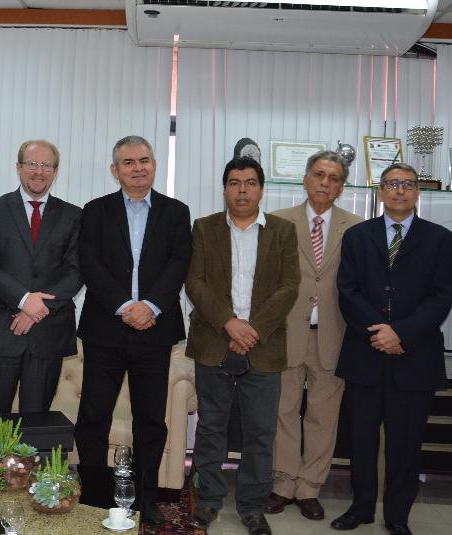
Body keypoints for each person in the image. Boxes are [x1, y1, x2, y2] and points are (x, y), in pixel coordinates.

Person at [330, 163, 452, 535]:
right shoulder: (357, 236)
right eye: (392, 184)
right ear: (380, 191)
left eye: (408, 184)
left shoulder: (440, 239)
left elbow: (440, 297)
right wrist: (380, 332)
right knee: (361, 439)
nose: (400, 190)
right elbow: (347, 291)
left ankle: (398, 515)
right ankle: (361, 508)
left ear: (417, 192)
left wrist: (400, 334)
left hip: (414, 357)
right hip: (365, 354)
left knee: (406, 443)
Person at [75, 135, 192, 528]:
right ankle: (93, 497)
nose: (138, 168)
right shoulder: (95, 210)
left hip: (155, 331)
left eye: (144, 160)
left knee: (150, 420)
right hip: (105, 330)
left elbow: (179, 262)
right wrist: (127, 307)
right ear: (115, 170)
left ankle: (147, 499)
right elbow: (90, 264)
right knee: (93, 417)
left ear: (154, 165)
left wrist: (150, 306)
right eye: (128, 162)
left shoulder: (176, 212)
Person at [185, 157, 299, 535]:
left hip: (263, 345)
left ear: (261, 189)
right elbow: (195, 283)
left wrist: (253, 330)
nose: (242, 191)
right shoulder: (205, 228)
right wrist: (230, 323)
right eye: (234, 183)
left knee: (260, 434)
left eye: (250, 183)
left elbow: (289, 286)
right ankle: (208, 501)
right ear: (225, 189)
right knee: (211, 429)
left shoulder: (282, 231)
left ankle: (252, 507)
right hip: (214, 341)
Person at [267, 151, 363, 520]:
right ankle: (283, 483)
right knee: (284, 411)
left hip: (333, 333)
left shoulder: (356, 228)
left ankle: (309, 487)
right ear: (306, 179)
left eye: (334, 178)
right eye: (319, 175)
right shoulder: (278, 221)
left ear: (341, 187)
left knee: (324, 416)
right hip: (287, 331)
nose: (325, 183)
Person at [0, 140, 82, 434]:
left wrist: (37, 308)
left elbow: (76, 271)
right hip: (0, 331)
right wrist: (23, 300)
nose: (39, 171)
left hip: (47, 334)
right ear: (18, 168)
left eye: (46, 165)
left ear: (56, 171)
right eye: (32, 164)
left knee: (36, 429)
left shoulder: (73, 215)